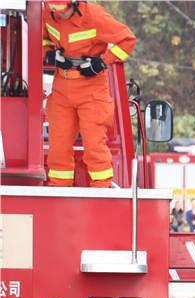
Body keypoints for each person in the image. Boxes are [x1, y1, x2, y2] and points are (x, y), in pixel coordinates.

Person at [42, 0, 136, 187]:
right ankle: (59, 189)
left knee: (94, 146)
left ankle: (101, 190)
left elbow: (127, 40)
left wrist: (102, 62)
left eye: (62, 10)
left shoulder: (94, 16)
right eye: (54, 9)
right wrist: (49, 53)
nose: (58, 14)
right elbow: (44, 38)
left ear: (76, 4)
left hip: (92, 88)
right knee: (58, 147)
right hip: (61, 86)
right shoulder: (48, 12)